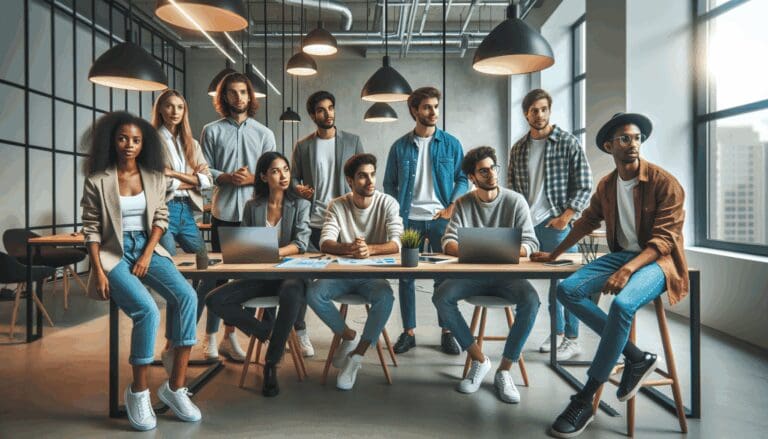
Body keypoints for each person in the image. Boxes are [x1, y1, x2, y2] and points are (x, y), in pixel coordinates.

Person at [532, 113, 688, 438]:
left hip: (659, 262)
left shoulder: (665, 183)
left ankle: (585, 398)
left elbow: (663, 242)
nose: (633, 145)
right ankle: (636, 357)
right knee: (568, 290)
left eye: (636, 138)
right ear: (609, 146)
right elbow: (586, 221)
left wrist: (629, 269)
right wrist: (553, 255)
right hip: (620, 257)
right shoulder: (607, 185)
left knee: (622, 306)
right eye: (624, 139)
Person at [80, 112, 201, 431]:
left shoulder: (154, 177)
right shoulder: (97, 180)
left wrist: (148, 254)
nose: (129, 145)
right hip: (113, 253)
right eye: (122, 138)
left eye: (135, 139)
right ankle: (138, 392)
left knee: (187, 296)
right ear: (112, 141)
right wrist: (100, 271)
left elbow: (161, 218)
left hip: (148, 247)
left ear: (144, 143)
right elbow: (91, 229)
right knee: (147, 311)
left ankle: (175, 388)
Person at [432, 146, 540, 404]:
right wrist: (494, 249)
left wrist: (484, 249)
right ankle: (480, 360)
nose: (491, 174)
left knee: (532, 301)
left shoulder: (515, 201)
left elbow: (532, 244)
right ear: (472, 177)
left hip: (508, 276)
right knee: (441, 297)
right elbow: (447, 243)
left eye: (493, 167)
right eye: (483, 170)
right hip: (474, 276)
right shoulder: (464, 203)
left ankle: (505, 369)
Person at [206, 151, 310, 397]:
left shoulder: (301, 204)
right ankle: (268, 332)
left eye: (285, 169)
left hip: (290, 274)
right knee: (214, 299)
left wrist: (272, 252)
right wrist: (251, 253)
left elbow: (301, 242)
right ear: (263, 176)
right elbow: (245, 244)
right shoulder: (252, 206)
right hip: (260, 276)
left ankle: (271, 365)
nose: (283, 175)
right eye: (275, 171)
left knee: (292, 292)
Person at [509, 89, 593, 360]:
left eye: (544, 109)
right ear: (526, 114)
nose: (540, 114)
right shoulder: (519, 148)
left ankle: (572, 338)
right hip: (527, 226)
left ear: (549, 110)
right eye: (534, 110)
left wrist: (565, 217)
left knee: (565, 284)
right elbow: (512, 187)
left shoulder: (567, 143)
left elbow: (584, 184)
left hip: (555, 223)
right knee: (544, 283)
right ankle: (556, 334)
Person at [307, 153, 403, 391]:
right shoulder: (338, 205)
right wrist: (349, 248)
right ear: (350, 181)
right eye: (362, 176)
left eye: (372, 174)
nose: (370, 181)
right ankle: (348, 335)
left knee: (386, 297)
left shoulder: (388, 203)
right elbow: (325, 242)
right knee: (313, 292)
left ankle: (357, 356)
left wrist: (369, 249)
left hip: (372, 275)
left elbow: (397, 242)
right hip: (342, 273)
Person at [383, 86, 468, 355]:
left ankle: (447, 331)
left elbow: (463, 178)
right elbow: (389, 183)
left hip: (441, 220)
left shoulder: (451, 143)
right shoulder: (399, 147)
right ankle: (409, 332)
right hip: (410, 220)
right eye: (427, 107)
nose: (433, 112)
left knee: (443, 277)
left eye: (435, 107)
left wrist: (452, 205)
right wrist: (398, 213)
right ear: (414, 111)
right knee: (407, 277)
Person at [201, 72, 276, 362]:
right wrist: (226, 176)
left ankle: (238, 337)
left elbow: (274, 172)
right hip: (224, 213)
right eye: (232, 93)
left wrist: (250, 181)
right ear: (224, 98)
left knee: (255, 278)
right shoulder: (211, 130)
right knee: (219, 280)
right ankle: (211, 338)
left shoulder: (265, 133)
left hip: (255, 216)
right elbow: (203, 170)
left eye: (243, 92)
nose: (238, 97)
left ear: (250, 96)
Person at [290, 90, 365, 357]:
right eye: (321, 110)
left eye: (331, 108)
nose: (328, 113)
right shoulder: (303, 146)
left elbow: (362, 179)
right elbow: (292, 181)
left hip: (341, 223)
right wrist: (300, 190)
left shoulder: (353, 141)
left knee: (340, 279)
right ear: (312, 115)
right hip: (311, 222)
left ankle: (343, 335)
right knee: (302, 278)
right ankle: (300, 331)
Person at [150, 89, 220, 365]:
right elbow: (157, 181)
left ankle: (188, 334)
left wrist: (177, 175)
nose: (174, 111)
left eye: (180, 106)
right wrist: (190, 179)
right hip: (163, 211)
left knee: (209, 268)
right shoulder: (151, 140)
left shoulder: (190, 142)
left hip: (187, 214)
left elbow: (206, 180)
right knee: (174, 277)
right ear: (161, 109)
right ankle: (171, 344)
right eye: (169, 106)